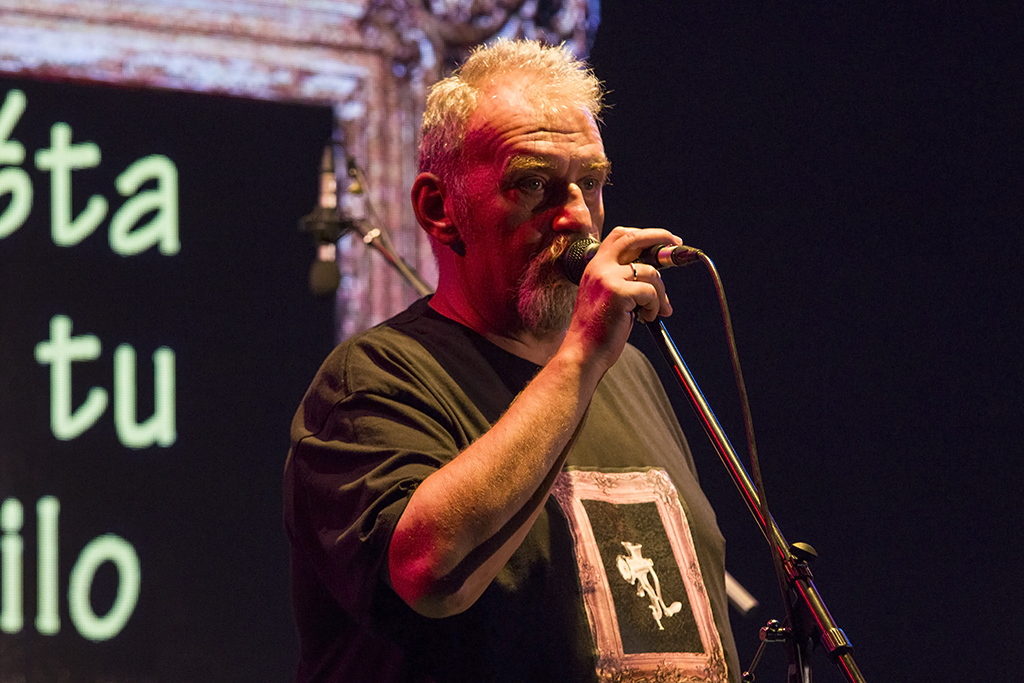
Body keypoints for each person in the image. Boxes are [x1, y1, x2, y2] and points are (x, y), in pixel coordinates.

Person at [283, 39, 740, 683]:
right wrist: (581, 358)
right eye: (533, 184)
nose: (577, 217)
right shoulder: (375, 379)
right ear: (440, 210)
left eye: (591, 183)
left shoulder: (630, 371)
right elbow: (427, 572)